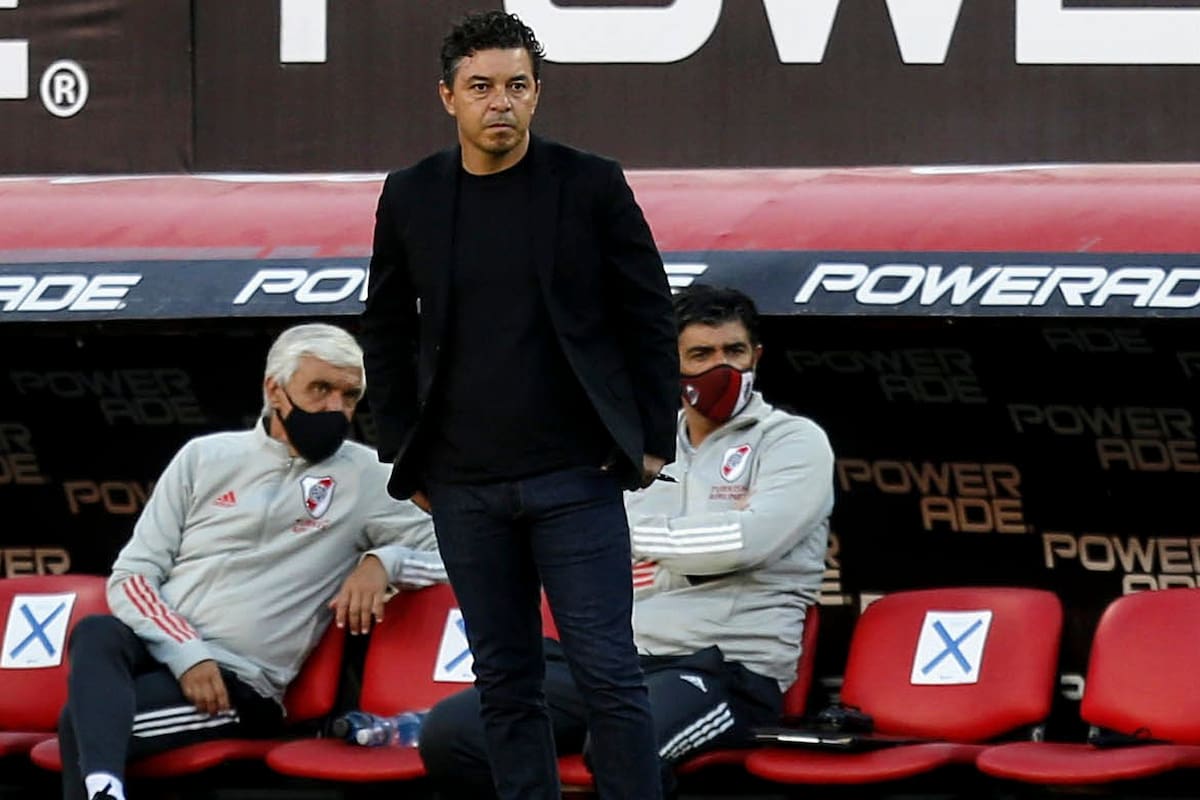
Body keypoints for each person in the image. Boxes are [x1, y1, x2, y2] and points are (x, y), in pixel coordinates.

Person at [359, 10, 679, 799]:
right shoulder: (410, 195)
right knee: (505, 681)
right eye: (481, 87)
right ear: (448, 97)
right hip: (465, 486)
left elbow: (648, 309)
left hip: (577, 476)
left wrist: (653, 440)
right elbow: (388, 324)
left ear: (537, 95)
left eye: (516, 87)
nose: (499, 102)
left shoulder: (591, 182)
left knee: (609, 674)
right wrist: (404, 451)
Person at [419, 285, 835, 798]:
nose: (721, 367)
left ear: (758, 356)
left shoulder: (793, 440)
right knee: (454, 733)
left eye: (735, 352)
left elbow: (745, 543)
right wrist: (655, 543)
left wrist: (625, 535)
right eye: (701, 355)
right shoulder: (641, 443)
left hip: (725, 669)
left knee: (621, 745)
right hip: (616, 661)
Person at [58, 323, 445, 800]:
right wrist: (187, 653)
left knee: (82, 723)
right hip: (166, 652)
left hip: (240, 685)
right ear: (274, 390)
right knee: (96, 632)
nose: (336, 408)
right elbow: (133, 575)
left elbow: (456, 552)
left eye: (349, 395)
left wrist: (385, 561)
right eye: (320, 389)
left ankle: (100, 790)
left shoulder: (367, 475)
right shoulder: (204, 457)